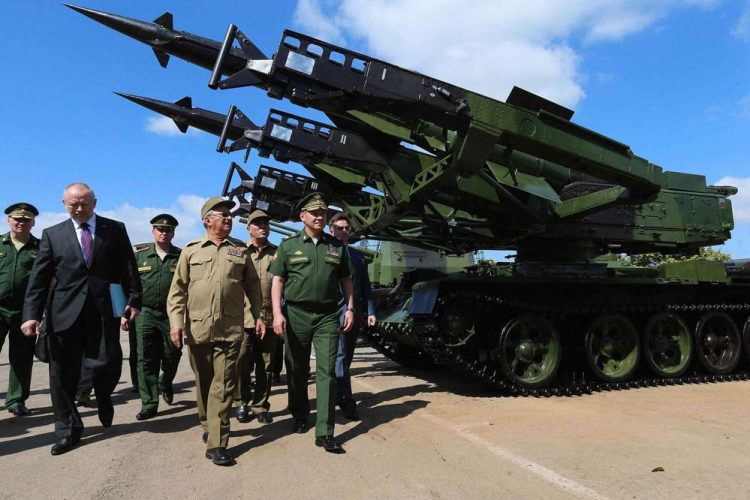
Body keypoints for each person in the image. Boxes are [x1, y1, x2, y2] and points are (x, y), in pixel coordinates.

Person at [21, 183, 141, 456]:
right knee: (61, 374)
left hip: (103, 310)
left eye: (84, 203)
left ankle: (103, 395)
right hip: (63, 312)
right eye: (72, 203)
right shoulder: (53, 235)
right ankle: (68, 430)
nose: (78, 208)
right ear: (63, 204)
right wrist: (31, 315)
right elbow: (39, 280)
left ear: (95, 203)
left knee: (107, 361)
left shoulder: (115, 229)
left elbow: (127, 268)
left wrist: (133, 300)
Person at [167, 196, 264, 467]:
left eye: (230, 215)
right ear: (207, 220)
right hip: (198, 329)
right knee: (204, 383)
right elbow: (178, 291)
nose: (229, 218)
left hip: (231, 328)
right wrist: (176, 323)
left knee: (223, 386)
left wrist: (259, 316)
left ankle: (218, 442)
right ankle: (207, 423)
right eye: (222, 214)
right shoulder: (191, 250)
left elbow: (254, 289)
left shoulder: (240, 251)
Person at [269, 192, 355, 454]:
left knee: (327, 372)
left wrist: (350, 308)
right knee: (296, 368)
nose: (319, 216)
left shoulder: (337, 247)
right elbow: (278, 281)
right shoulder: (288, 246)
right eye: (314, 213)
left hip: (329, 315)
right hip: (296, 314)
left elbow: (346, 281)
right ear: (302, 217)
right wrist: (277, 313)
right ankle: (299, 413)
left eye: (323, 213)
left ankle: (325, 431)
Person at [132, 214, 182, 421]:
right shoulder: (140, 256)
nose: (164, 232)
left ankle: (166, 382)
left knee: (173, 353)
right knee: (146, 358)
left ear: (173, 233)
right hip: (145, 312)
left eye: (168, 229)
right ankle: (149, 403)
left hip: (172, 313)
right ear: (153, 231)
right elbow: (129, 284)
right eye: (160, 229)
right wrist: (125, 313)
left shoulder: (181, 256)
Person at [329, 212, 376, 421]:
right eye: (340, 228)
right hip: (333, 314)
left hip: (354, 314)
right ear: (331, 230)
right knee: (339, 358)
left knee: (346, 359)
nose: (344, 231)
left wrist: (371, 311)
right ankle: (346, 400)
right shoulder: (325, 252)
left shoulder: (357, 256)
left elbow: (365, 286)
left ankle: (336, 394)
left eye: (347, 228)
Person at [234, 209, 277, 425]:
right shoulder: (239, 252)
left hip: (269, 315)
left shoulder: (278, 253)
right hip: (242, 316)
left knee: (266, 364)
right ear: (248, 228)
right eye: (257, 223)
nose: (263, 226)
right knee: (240, 360)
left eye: (265, 223)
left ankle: (260, 406)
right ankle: (241, 401)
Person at [0, 203, 40, 416]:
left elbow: (47, 280)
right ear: (9, 220)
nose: (21, 222)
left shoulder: (41, 247)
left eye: (26, 219)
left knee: (22, 357)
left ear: (33, 222)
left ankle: (16, 400)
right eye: (17, 218)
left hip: (26, 311)